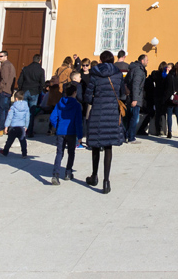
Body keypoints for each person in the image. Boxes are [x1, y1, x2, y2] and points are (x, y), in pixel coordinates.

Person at [83, 50, 124, 194]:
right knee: (108, 147)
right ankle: (106, 181)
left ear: (100, 60)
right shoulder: (118, 74)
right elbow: (123, 94)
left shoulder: (95, 75)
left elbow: (87, 97)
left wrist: (97, 101)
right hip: (112, 113)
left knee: (95, 145)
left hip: (98, 112)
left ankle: (94, 176)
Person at [49, 82, 83, 184]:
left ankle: (55, 174)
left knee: (59, 153)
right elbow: (78, 122)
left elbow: (52, 117)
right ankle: (68, 172)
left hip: (60, 131)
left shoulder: (59, 103)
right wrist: (80, 135)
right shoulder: (77, 105)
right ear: (74, 93)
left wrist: (57, 125)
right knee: (71, 152)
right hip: (71, 132)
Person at [17, 53, 46, 139]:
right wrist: (39, 91)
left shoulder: (25, 69)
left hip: (25, 90)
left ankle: (22, 130)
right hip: (34, 92)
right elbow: (42, 83)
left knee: (23, 111)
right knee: (31, 112)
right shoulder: (41, 70)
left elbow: (20, 81)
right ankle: (30, 131)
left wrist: (21, 89)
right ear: (40, 60)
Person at [124, 53, 147, 143]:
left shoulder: (133, 68)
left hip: (130, 97)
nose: (147, 62)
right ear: (142, 61)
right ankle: (131, 137)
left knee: (129, 117)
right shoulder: (139, 70)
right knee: (134, 118)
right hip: (135, 98)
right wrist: (135, 99)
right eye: (147, 60)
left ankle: (126, 135)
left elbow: (126, 82)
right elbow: (136, 85)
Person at [0, 94, 31, 158]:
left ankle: (5, 152)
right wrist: (26, 126)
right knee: (23, 141)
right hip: (22, 127)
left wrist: (6, 126)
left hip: (13, 127)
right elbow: (27, 117)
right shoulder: (26, 107)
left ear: (16, 98)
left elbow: (9, 117)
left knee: (9, 141)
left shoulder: (13, 107)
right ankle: (24, 154)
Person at [0, 50, 16, 135]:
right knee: (6, 111)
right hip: (8, 91)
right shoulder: (10, 65)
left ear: (6, 56)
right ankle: (6, 129)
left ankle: (1, 129)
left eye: (1, 56)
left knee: (2, 111)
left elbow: (4, 80)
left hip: (3, 91)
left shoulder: (5, 65)